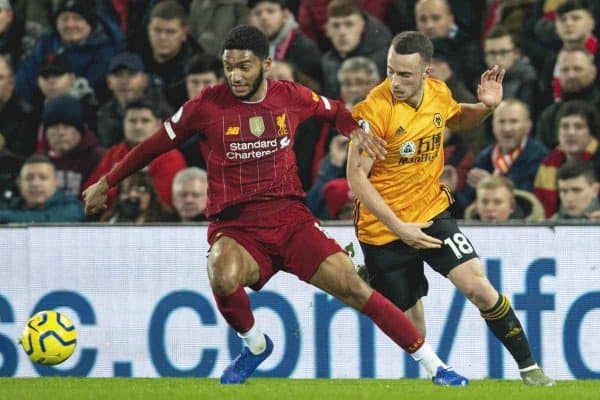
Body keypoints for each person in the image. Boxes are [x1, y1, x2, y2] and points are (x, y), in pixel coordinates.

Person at [83, 25, 468, 386]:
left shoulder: (290, 96)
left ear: (266, 65)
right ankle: (255, 346)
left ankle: (437, 367)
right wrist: (106, 182)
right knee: (220, 271)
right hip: (237, 227)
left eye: (244, 67)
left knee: (353, 287)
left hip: (291, 220)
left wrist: (354, 129)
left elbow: (333, 111)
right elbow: (154, 144)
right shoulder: (206, 106)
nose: (235, 75)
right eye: (228, 66)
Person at [347, 31, 554, 386]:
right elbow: (356, 179)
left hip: (431, 214)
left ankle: (530, 369)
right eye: (390, 71)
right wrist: (399, 228)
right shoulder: (374, 110)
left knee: (479, 288)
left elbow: (455, 118)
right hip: (384, 229)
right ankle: (360, 281)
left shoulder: (438, 92)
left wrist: (487, 108)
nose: (395, 81)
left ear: (426, 71)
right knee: (414, 330)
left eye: (405, 74)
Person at [0, 154, 85, 223]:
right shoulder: (10, 206)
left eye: (43, 177)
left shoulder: (72, 207)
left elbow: (46, 220)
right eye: (29, 178)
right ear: (19, 184)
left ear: (56, 182)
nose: (35, 183)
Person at [464, 175, 545, 222]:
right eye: (484, 202)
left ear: (512, 207)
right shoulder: (463, 237)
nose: (489, 208)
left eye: (497, 202)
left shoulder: (534, 237)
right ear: (477, 205)